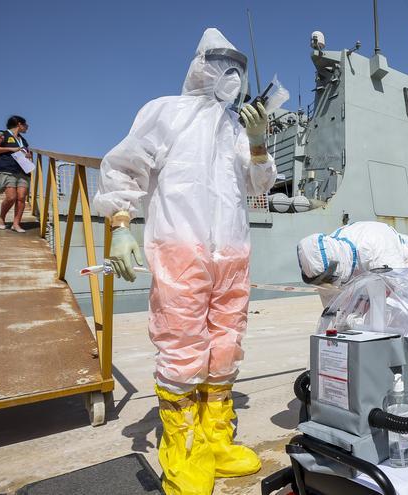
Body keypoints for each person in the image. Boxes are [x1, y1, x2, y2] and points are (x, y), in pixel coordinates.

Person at [92, 28, 275, 495]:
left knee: (226, 342)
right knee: (181, 344)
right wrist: (119, 225)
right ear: (202, 65)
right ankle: (183, 449)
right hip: (181, 249)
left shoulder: (236, 129)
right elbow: (124, 166)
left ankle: (216, 439)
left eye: (238, 69)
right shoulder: (165, 112)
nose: (231, 76)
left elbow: (258, 185)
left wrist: (257, 142)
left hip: (231, 252)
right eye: (224, 66)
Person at [297, 221, 408, 306]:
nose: (324, 284)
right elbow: (332, 305)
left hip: (401, 262)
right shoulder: (323, 266)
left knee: (402, 311)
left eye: (326, 280)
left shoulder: (375, 247)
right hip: (363, 270)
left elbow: (399, 288)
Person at [0, 115, 32, 232]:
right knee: (11, 197)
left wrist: (28, 155)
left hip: (23, 170)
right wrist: (11, 149)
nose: (27, 127)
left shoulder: (23, 140)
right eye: (25, 124)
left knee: (21, 197)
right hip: (7, 169)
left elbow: (26, 151)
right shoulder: (2, 134)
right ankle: (1, 218)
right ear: (19, 124)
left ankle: (16, 224)